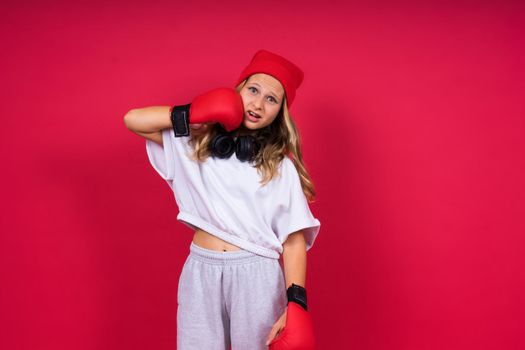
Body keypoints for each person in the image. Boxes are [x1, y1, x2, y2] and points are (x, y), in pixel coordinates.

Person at [124, 49, 321, 350]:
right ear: (237, 90)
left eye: (271, 99)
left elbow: (293, 239)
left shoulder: (280, 166)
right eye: (253, 90)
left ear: (280, 111)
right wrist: (191, 114)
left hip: (257, 275)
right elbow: (133, 120)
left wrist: (296, 303)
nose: (258, 103)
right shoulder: (194, 141)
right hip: (201, 269)